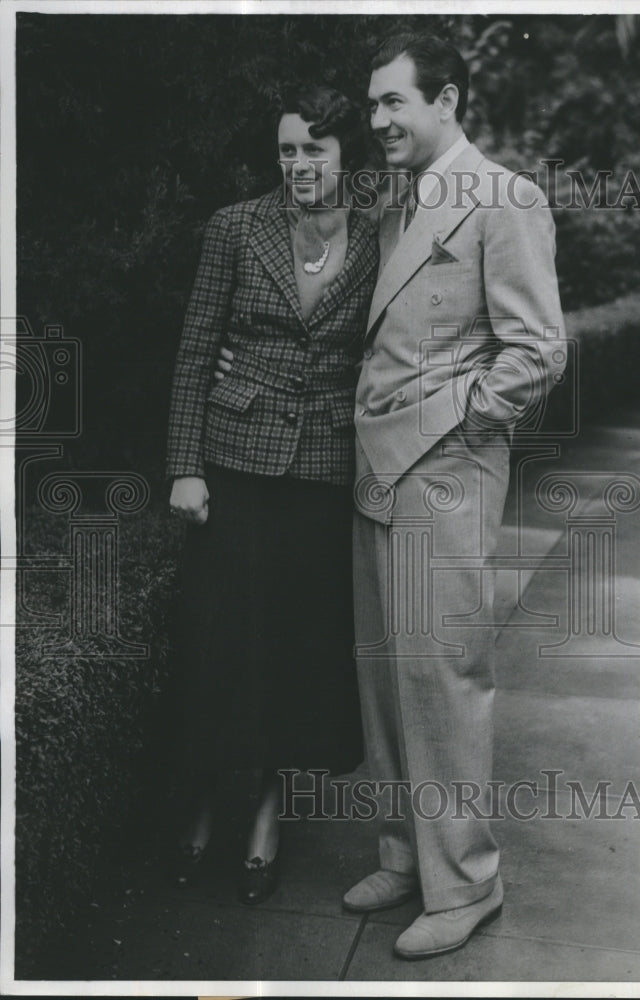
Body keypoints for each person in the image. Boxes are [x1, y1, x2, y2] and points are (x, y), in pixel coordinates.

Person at [341, 33, 567, 959]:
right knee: (386, 680)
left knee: (442, 677)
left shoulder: (504, 197)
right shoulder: (399, 206)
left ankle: (467, 882)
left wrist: (457, 414)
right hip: (374, 469)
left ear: (449, 101)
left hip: (443, 468)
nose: (378, 120)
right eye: (373, 105)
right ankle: (407, 856)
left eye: (394, 102)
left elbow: (538, 348)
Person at [164, 85, 379, 905]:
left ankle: (266, 810)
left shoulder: (381, 232)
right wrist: (185, 464)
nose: (296, 166)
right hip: (234, 463)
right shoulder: (235, 227)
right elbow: (195, 351)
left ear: (344, 154)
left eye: (313, 151)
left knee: (296, 649)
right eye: (287, 150)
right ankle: (205, 796)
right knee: (222, 643)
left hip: (325, 470)